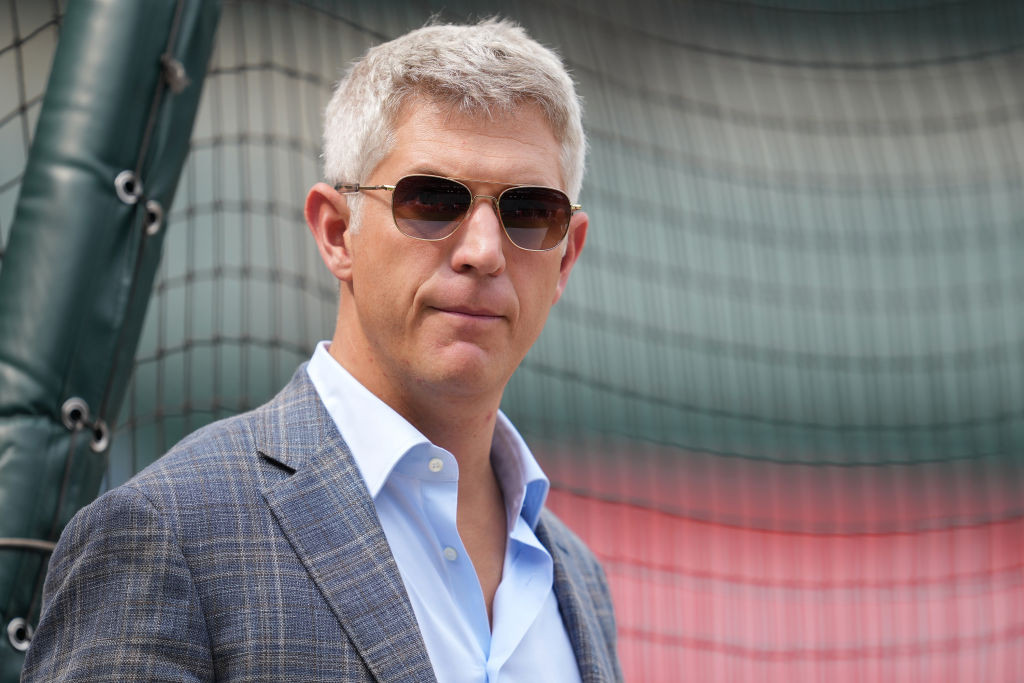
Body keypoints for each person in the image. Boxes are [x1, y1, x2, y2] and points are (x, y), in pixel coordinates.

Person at [23, 18, 621, 682]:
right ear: (336, 232)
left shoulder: (579, 581)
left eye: (530, 211)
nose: (483, 251)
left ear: (566, 256)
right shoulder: (168, 532)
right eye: (431, 200)